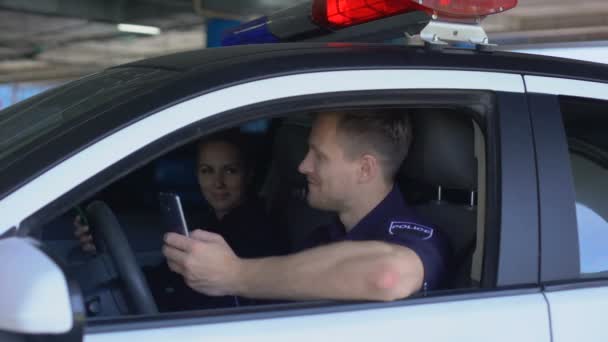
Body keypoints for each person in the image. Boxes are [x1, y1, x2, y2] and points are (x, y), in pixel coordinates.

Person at [163, 110, 451, 302]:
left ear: (365, 169)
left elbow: (386, 275)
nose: (303, 166)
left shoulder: (419, 238)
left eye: (319, 156)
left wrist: (234, 274)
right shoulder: (323, 237)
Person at [74, 129, 287, 310]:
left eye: (230, 171)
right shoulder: (211, 223)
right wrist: (105, 255)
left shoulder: (259, 235)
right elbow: (168, 276)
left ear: (249, 175)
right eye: (207, 171)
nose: (218, 183)